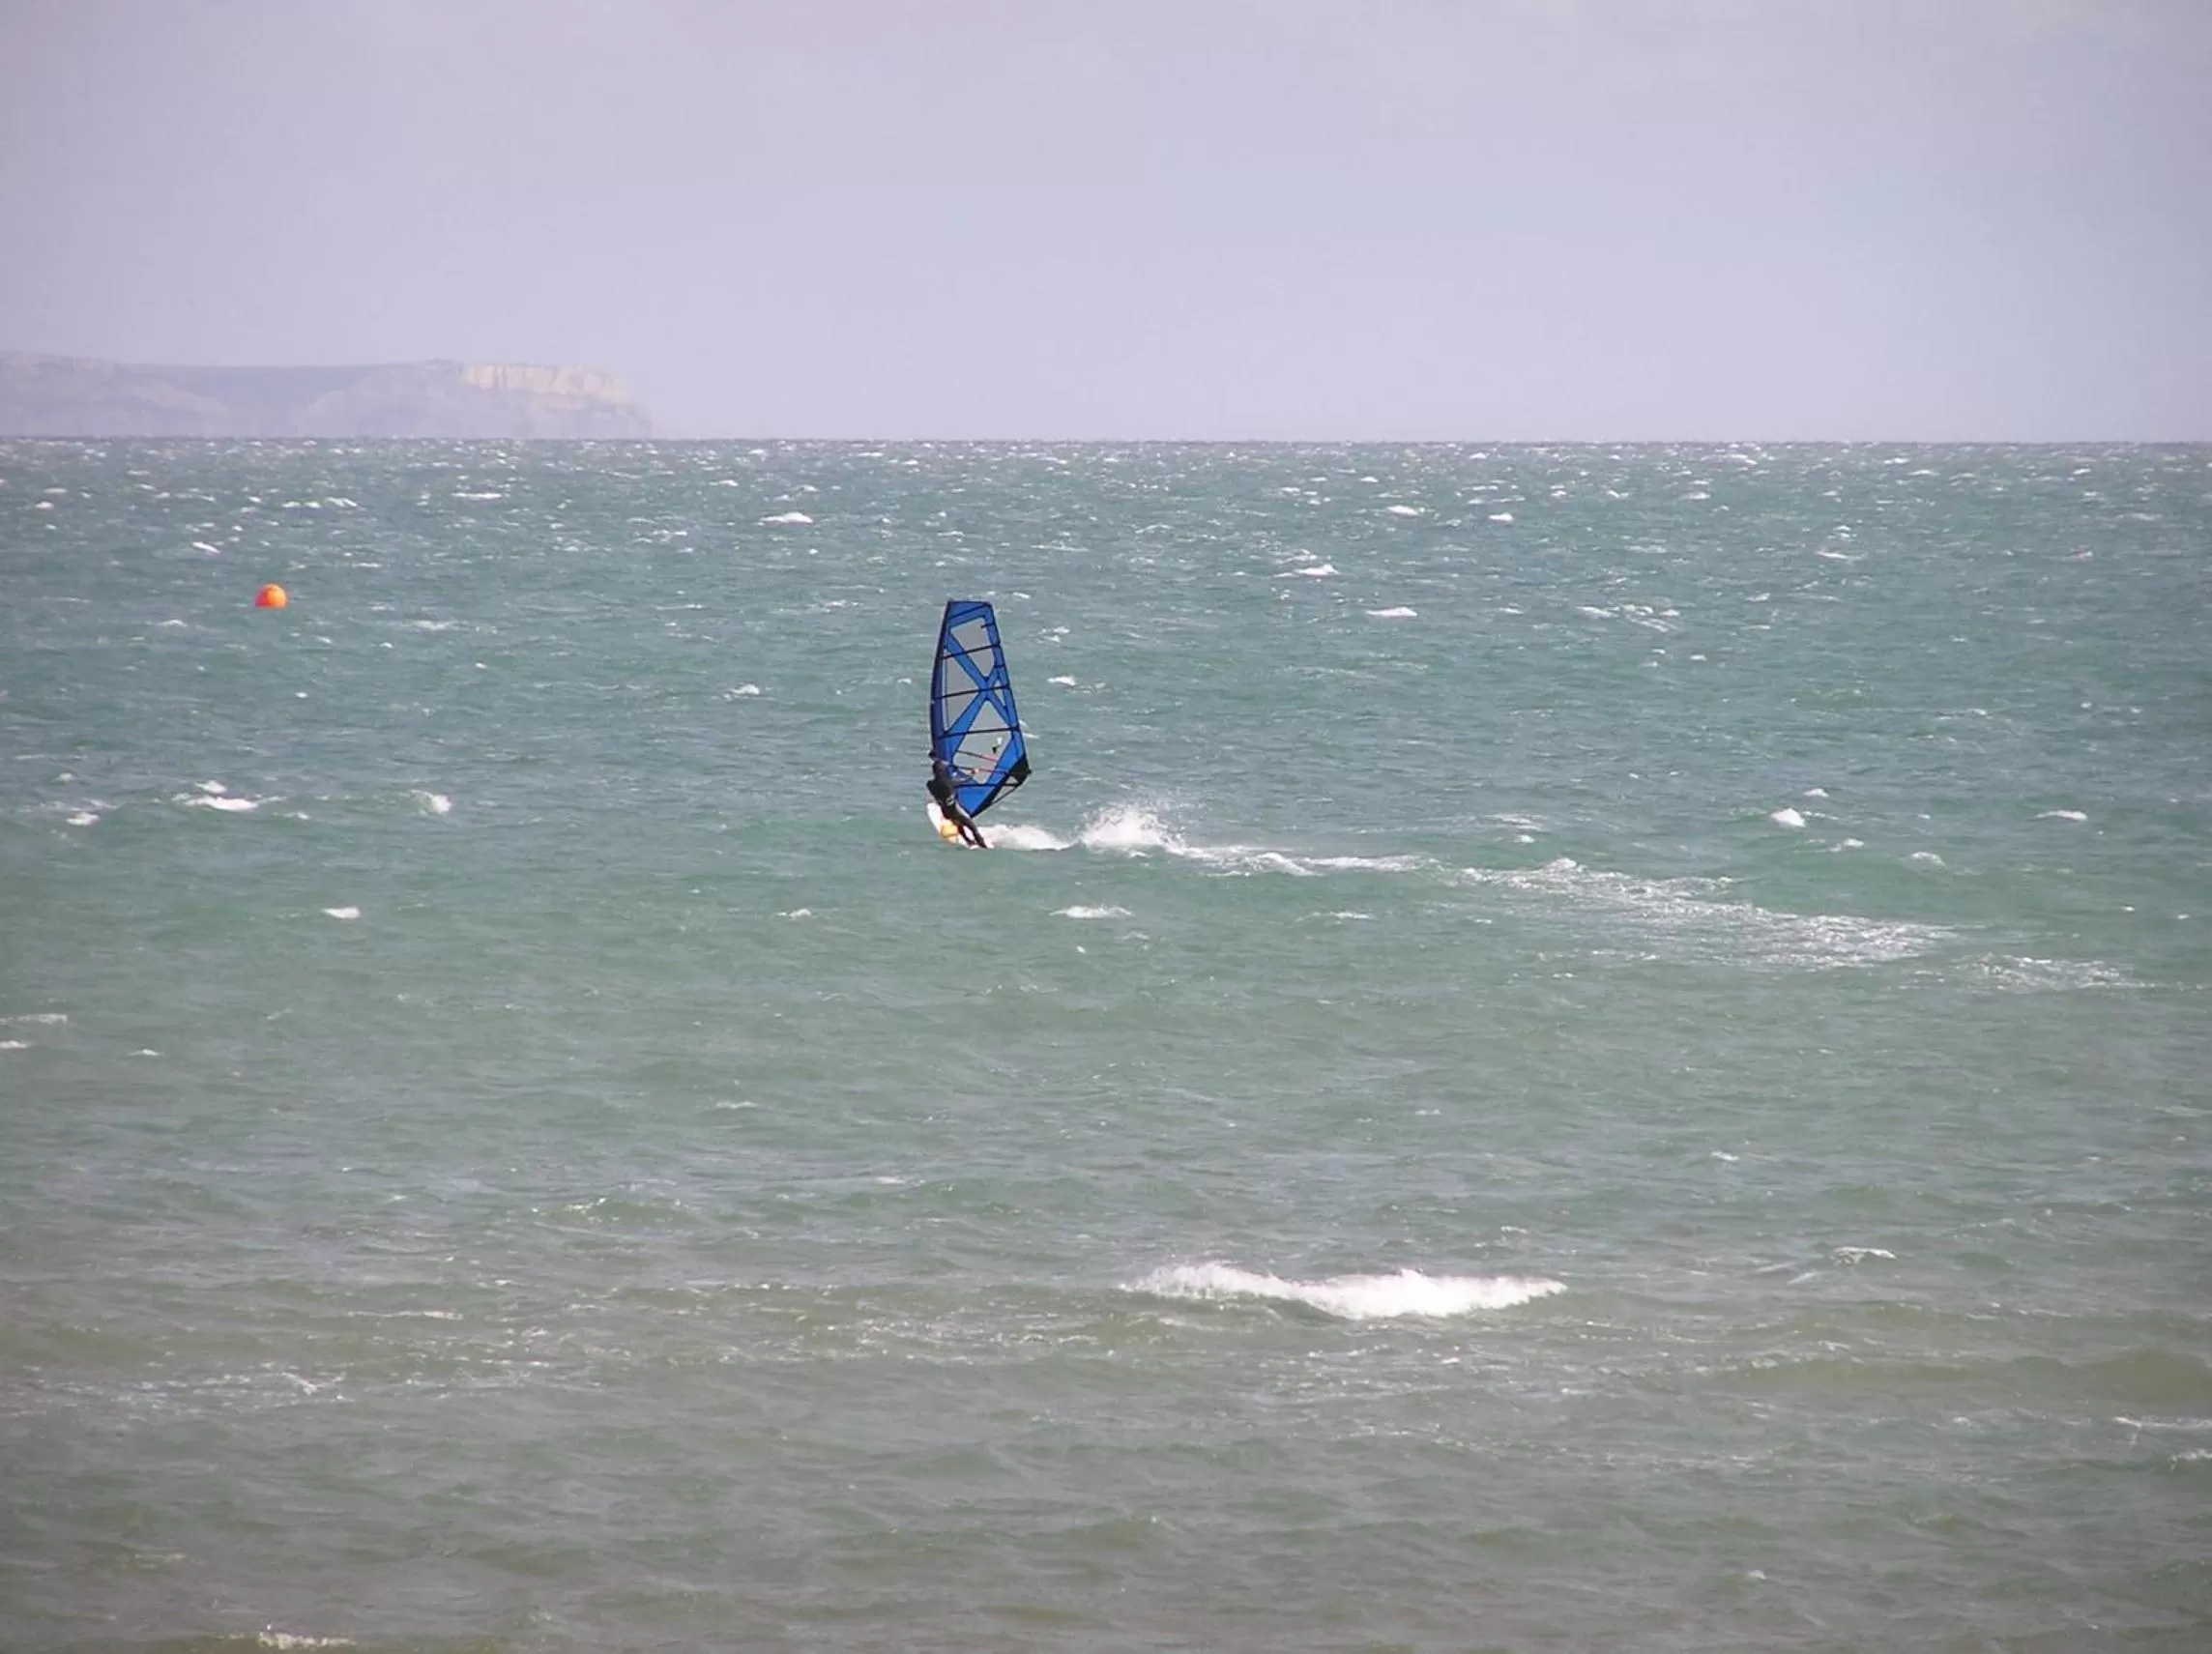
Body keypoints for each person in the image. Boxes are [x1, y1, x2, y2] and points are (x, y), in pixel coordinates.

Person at [927, 755, 990, 848]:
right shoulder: (948, 783)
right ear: (942, 771)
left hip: (946, 812)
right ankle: (984, 847)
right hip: (955, 811)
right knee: (972, 828)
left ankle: (968, 840)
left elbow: (945, 780)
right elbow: (964, 780)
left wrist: (950, 768)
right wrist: (973, 773)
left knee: (957, 821)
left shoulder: (930, 784)